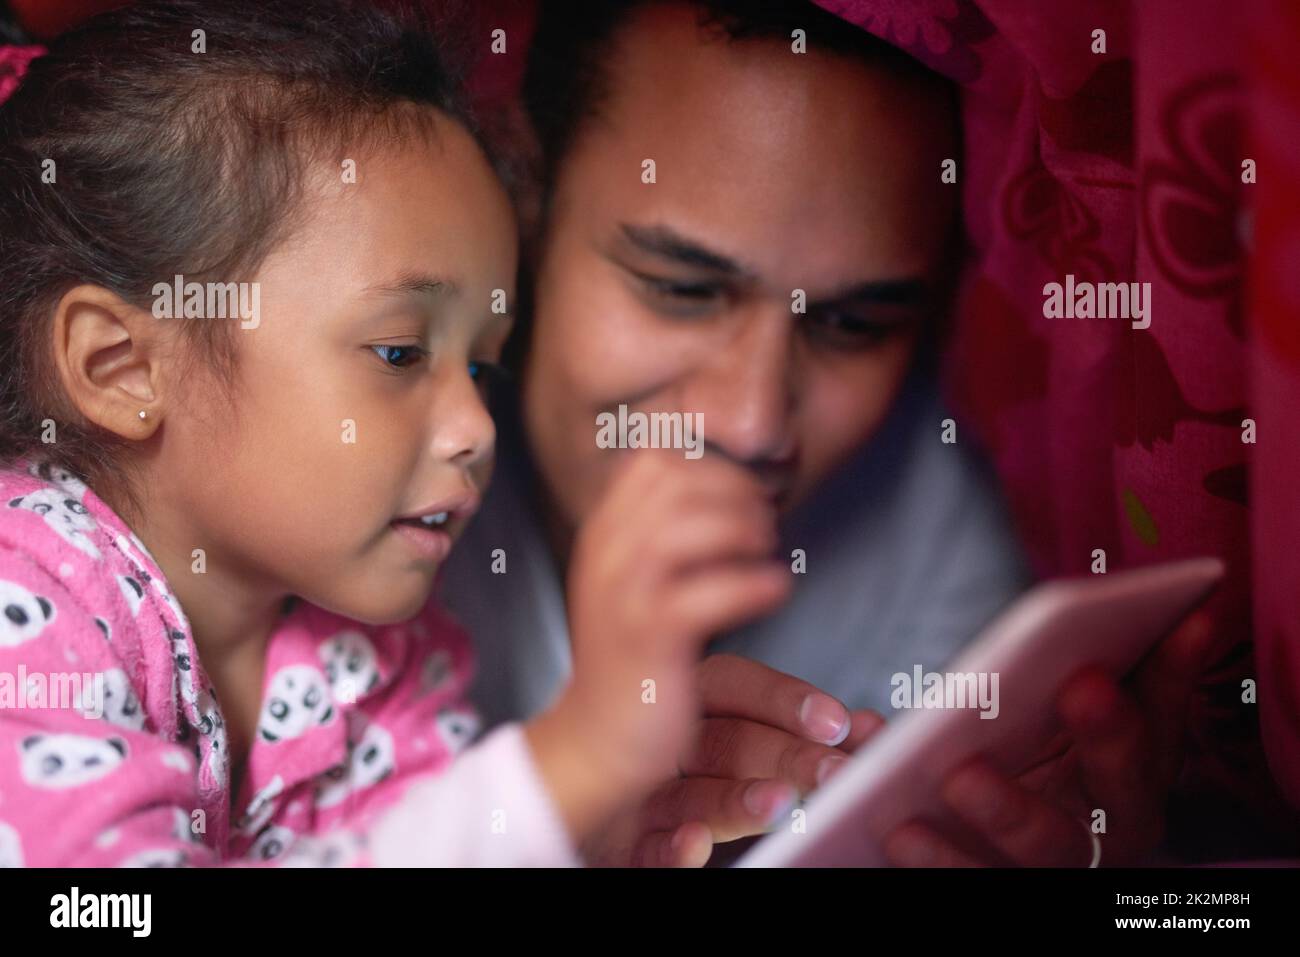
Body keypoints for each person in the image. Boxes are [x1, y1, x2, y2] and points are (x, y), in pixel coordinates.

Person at [0, 0, 784, 867]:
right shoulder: (22, 605)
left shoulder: (381, 658)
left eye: (482, 367)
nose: (477, 427)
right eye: (400, 351)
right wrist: (573, 762)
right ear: (123, 367)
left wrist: (588, 834)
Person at [442, 0, 1214, 867]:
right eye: (682, 290)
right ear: (521, 206)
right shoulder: (354, 508)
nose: (753, 423)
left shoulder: (942, 521)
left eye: (851, 324)